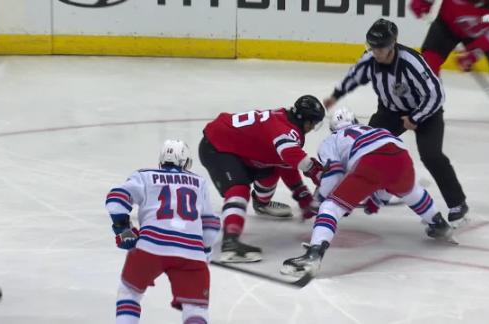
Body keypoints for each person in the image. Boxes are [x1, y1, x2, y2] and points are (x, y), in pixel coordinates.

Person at [323, 18, 468, 226]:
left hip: (426, 113)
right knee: (365, 149)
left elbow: (436, 94)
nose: (375, 52)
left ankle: (457, 203)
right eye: (371, 47)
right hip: (389, 112)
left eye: (380, 48)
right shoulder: (370, 57)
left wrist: (415, 117)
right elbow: (354, 76)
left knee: (431, 155)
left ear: (392, 45)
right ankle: (372, 192)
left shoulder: (411, 62)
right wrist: (336, 95)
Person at [280, 107, 454, 277]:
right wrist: (379, 199)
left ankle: (313, 255)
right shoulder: (374, 129)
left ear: (333, 129)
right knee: (410, 190)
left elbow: (333, 173)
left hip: (370, 162)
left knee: (330, 208)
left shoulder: (331, 140)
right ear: (355, 121)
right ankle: (438, 223)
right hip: (401, 157)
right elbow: (387, 175)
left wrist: (321, 200)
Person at [199, 95, 325, 263]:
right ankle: (230, 244)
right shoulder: (288, 131)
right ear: (307, 121)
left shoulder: (284, 118)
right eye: (314, 123)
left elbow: (284, 162)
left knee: (270, 170)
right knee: (239, 189)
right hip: (217, 146)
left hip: (237, 149)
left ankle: (261, 203)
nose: (312, 127)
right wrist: (313, 169)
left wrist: (301, 193)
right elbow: (291, 155)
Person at [105, 140, 220, 324]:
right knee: (195, 308)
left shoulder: (145, 176)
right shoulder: (199, 182)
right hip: (191, 252)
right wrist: (204, 253)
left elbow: (116, 201)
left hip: (151, 246)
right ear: (185, 161)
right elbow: (211, 225)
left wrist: (123, 229)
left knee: (129, 292)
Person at [410, 0, 489, 118]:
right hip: (447, 24)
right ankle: (430, 103)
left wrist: (473, 54)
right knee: (429, 64)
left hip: (483, 32)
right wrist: (422, 2)